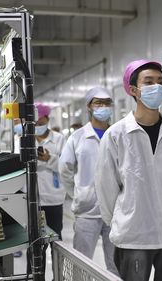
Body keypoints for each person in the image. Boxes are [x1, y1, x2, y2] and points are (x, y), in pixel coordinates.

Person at [94, 60, 162, 281]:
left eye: (160, 81)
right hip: (133, 236)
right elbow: (106, 187)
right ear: (134, 90)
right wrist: (120, 222)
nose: (157, 86)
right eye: (149, 81)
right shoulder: (116, 135)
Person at [59, 87, 118, 275]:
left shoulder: (118, 135)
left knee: (116, 264)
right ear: (89, 107)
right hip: (86, 211)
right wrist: (78, 193)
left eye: (107, 102)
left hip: (115, 210)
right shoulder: (77, 137)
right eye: (98, 102)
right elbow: (64, 169)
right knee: (81, 263)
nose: (103, 106)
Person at [28, 103, 66, 278]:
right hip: (31, 200)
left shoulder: (59, 139)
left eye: (39, 120)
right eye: (33, 121)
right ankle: (38, 277)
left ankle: (58, 276)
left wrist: (49, 158)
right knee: (36, 244)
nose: (36, 124)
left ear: (47, 119)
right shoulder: (23, 138)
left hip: (53, 199)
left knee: (55, 242)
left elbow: (66, 167)